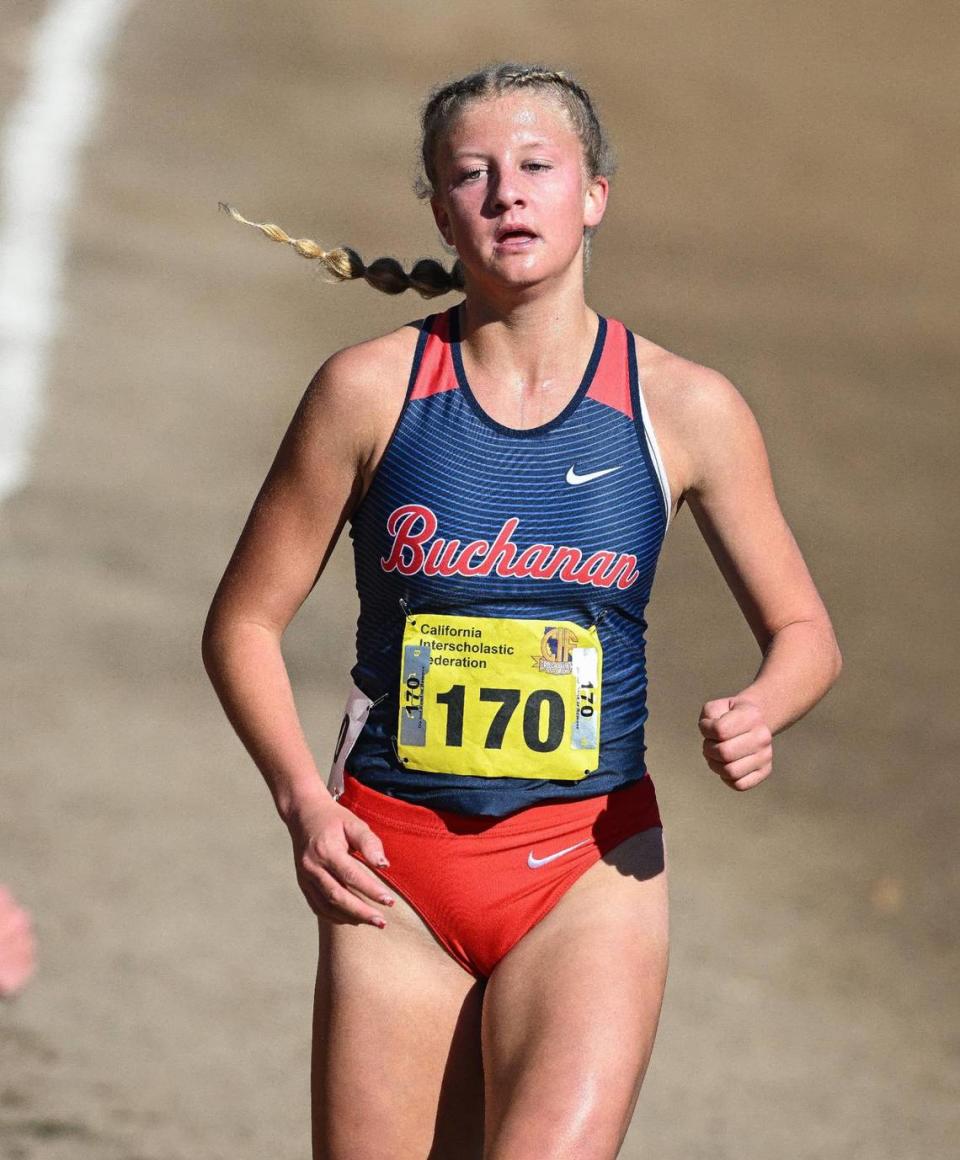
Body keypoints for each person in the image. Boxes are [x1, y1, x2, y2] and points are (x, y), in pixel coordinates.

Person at [203, 62, 841, 1160]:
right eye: (472, 174)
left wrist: (765, 705)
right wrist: (304, 803)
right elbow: (242, 623)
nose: (507, 193)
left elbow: (806, 631)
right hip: (390, 877)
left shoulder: (685, 406)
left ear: (594, 194)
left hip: (590, 870)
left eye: (538, 167)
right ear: (440, 208)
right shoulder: (368, 391)